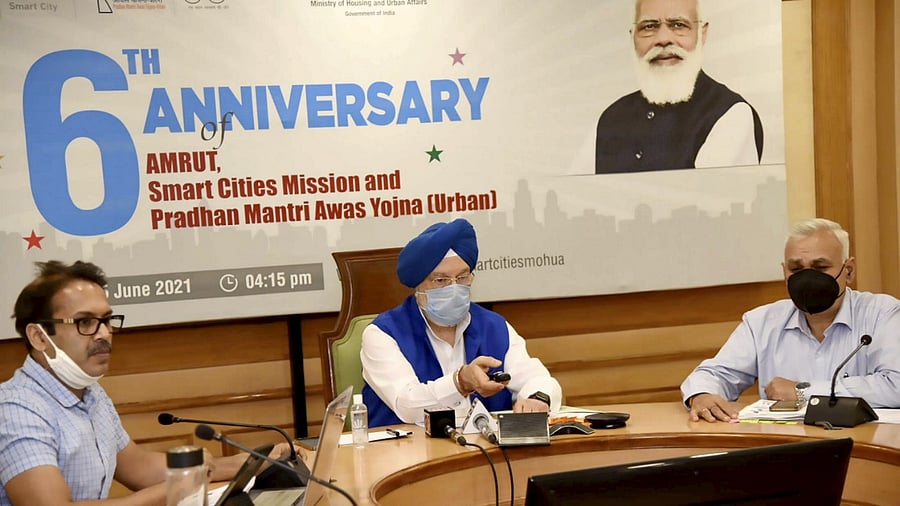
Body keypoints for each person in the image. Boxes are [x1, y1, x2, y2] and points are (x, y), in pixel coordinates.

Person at [0, 260, 297, 505]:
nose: (103, 333)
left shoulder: (91, 394)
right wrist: (176, 490)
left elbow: (139, 467)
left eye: (107, 320)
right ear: (39, 337)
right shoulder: (16, 409)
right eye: (85, 322)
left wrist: (254, 461)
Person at [681, 218, 900, 422]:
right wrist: (702, 394)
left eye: (820, 267)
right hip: (787, 449)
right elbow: (715, 374)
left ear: (849, 271)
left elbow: (896, 385)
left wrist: (803, 391)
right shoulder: (761, 322)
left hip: (865, 447)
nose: (807, 278)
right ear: (784, 272)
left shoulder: (883, 314)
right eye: (796, 269)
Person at [360, 218, 563, 427]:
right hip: (405, 453)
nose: (454, 288)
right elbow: (407, 404)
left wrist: (537, 399)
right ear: (418, 286)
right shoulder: (383, 334)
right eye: (441, 281)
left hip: (484, 451)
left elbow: (536, 378)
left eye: (463, 277)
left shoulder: (493, 326)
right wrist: (460, 382)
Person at [595, 0, 764, 174]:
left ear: (702, 33)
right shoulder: (611, 118)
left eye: (678, 25)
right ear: (633, 37)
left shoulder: (732, 115)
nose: (663, 39)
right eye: (649, 27)